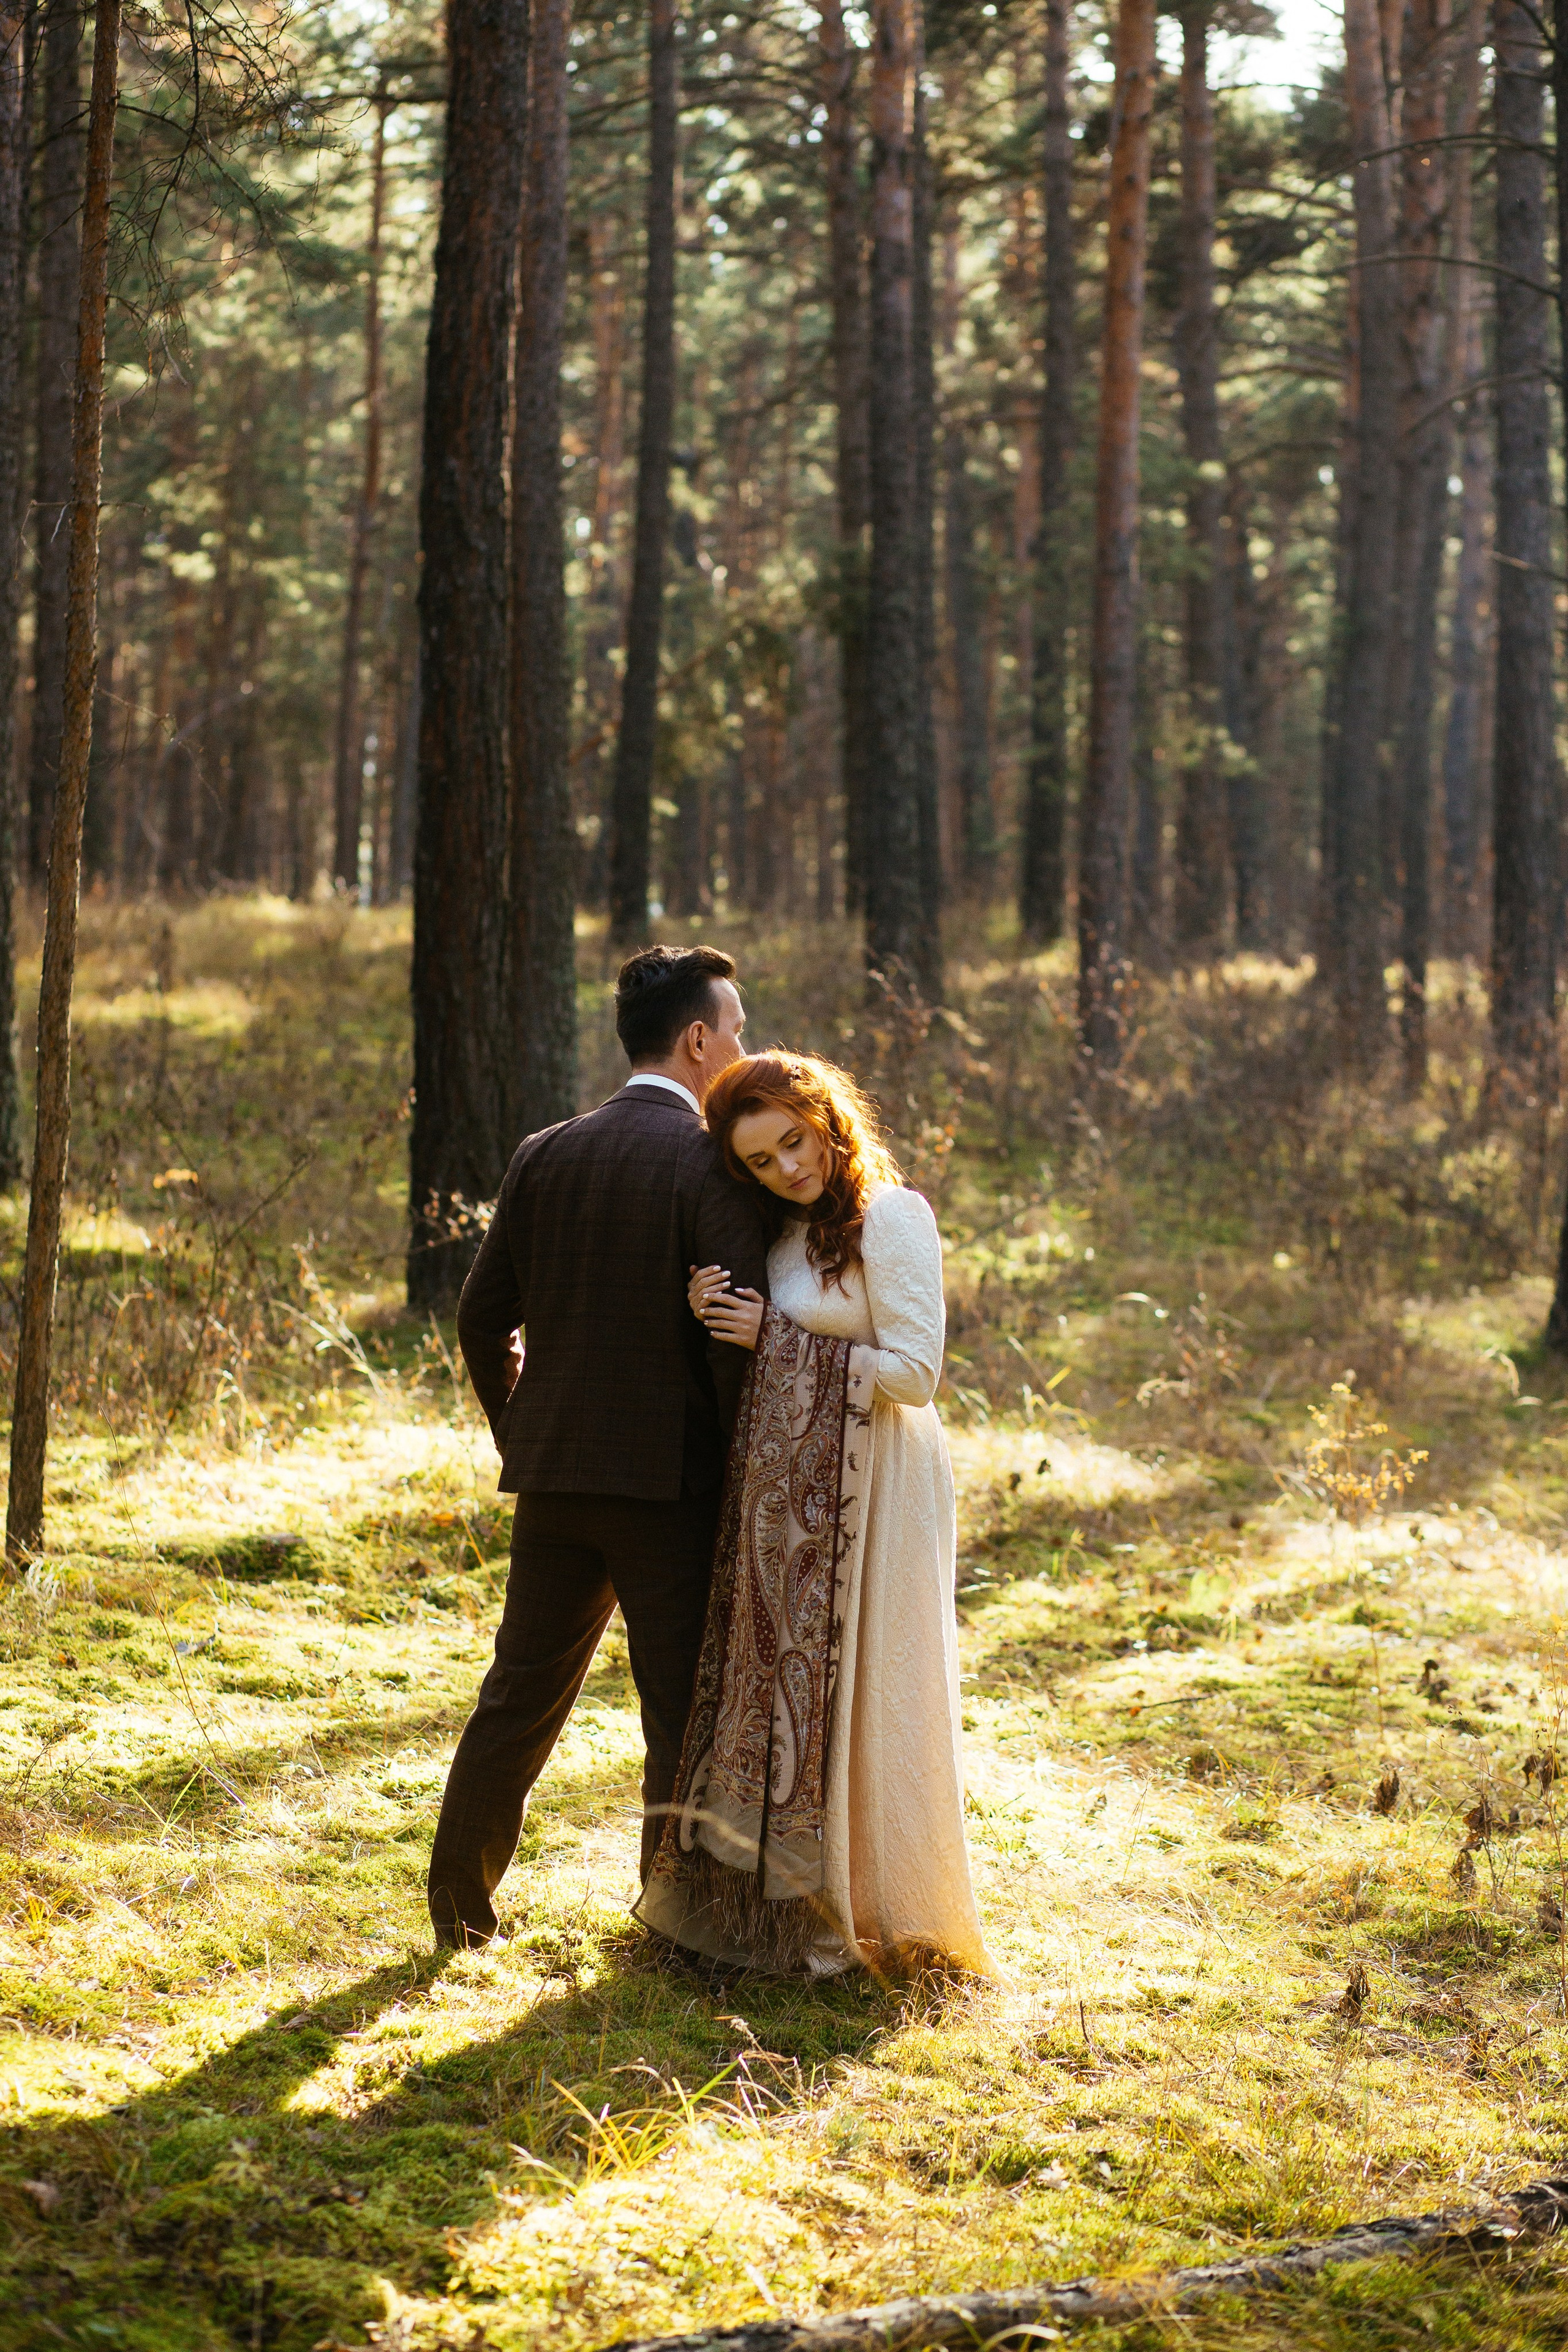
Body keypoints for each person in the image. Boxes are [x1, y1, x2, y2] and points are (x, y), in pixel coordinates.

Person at [427, 944, 771, 1950]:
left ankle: (458, 1912)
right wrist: (742, 1474)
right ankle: (668, 1926)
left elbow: (481, 1315)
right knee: (676, 1711)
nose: (744, 1046)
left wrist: (523, 1427)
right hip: (671, 1489)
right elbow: (730, 1346)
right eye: (737, 1029)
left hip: (558, 1478)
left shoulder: (547, 1150)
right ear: (699, 1039)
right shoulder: (713, 1163)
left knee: (518, 1697)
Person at [636, 1051, 995, 1978]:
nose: (789, 1169)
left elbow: (917, 1373)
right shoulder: (789, 1235)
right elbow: (775, 1339)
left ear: (828, 1119)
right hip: (806, 1497)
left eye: (795, 1142)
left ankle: (881, 1905)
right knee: (818, 1701)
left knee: (878, 1681)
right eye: (762, 1161)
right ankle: (804, 1904)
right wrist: (717, 1310)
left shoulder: (893, 1217)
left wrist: (777, 1340)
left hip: (882, 1481)